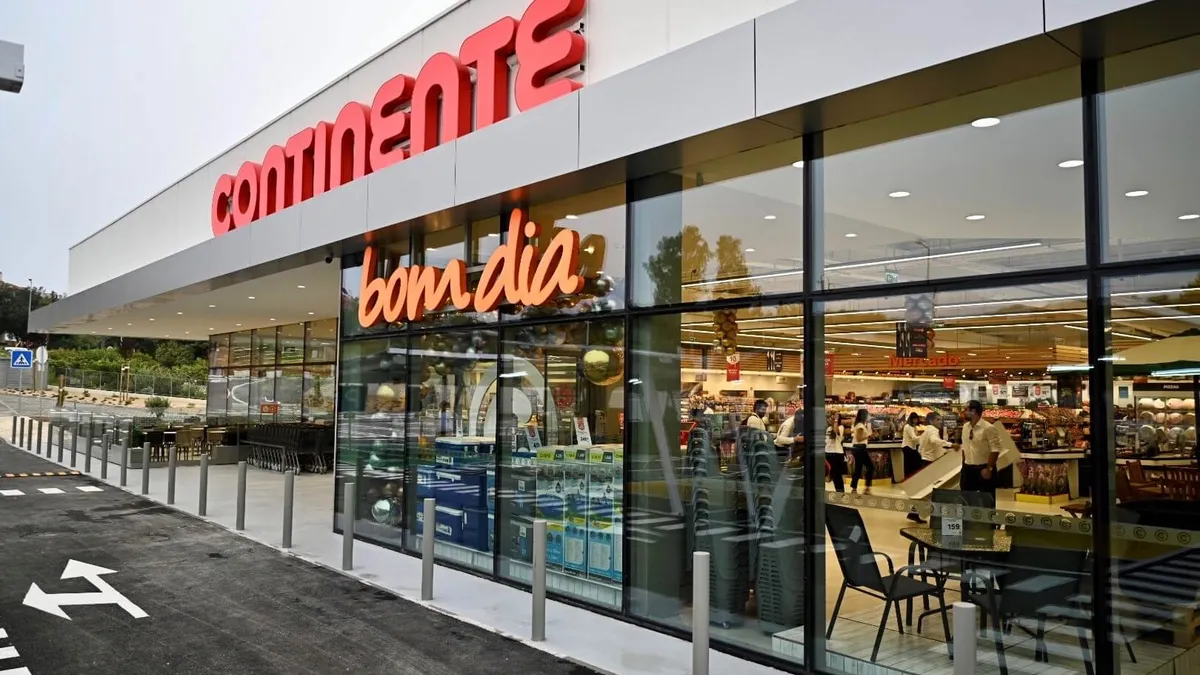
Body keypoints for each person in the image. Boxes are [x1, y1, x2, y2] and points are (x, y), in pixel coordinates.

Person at [961, 399, 1001, 498]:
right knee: (966, 498)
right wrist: (963, 464)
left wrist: (989, 469)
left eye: (966, 409)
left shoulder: (988, 428)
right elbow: (964, 446)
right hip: (968, 468)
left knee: (987, 499)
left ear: (973, 411)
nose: (964, 412)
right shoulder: (965, 427)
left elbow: (995, 450)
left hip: (983, 468)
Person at [849, 408, 873, 494]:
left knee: (858, 468)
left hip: (857, 448)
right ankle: (866, 488)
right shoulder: (860, 426)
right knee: (870, 467)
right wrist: (868, 436)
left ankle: (854, 488)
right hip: (860, 448)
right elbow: (859, 438)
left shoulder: (860, 424)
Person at [824, 409, 847, 492]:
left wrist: (836, 420)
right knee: (833, 475)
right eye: (830, 417)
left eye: (832, 417)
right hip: (828, 453)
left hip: (837, 454)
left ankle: (840, 492)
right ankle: (838, 491)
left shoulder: (840, 427)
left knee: (837, 475)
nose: (830, 418)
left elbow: (835, 431)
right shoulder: (828, 428)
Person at [901, 412, 922, 480]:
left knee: (911, 464)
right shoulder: (908, 427)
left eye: (916, 419)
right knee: (910, 464)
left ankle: (911, 478)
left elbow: (915, 438)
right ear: (911, 419)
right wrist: (923, 437)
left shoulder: (914, 427)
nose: (915, 420)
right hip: (907, 447)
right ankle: (908, 478)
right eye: (914, 419)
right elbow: (914, 437)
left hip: (911, 447)